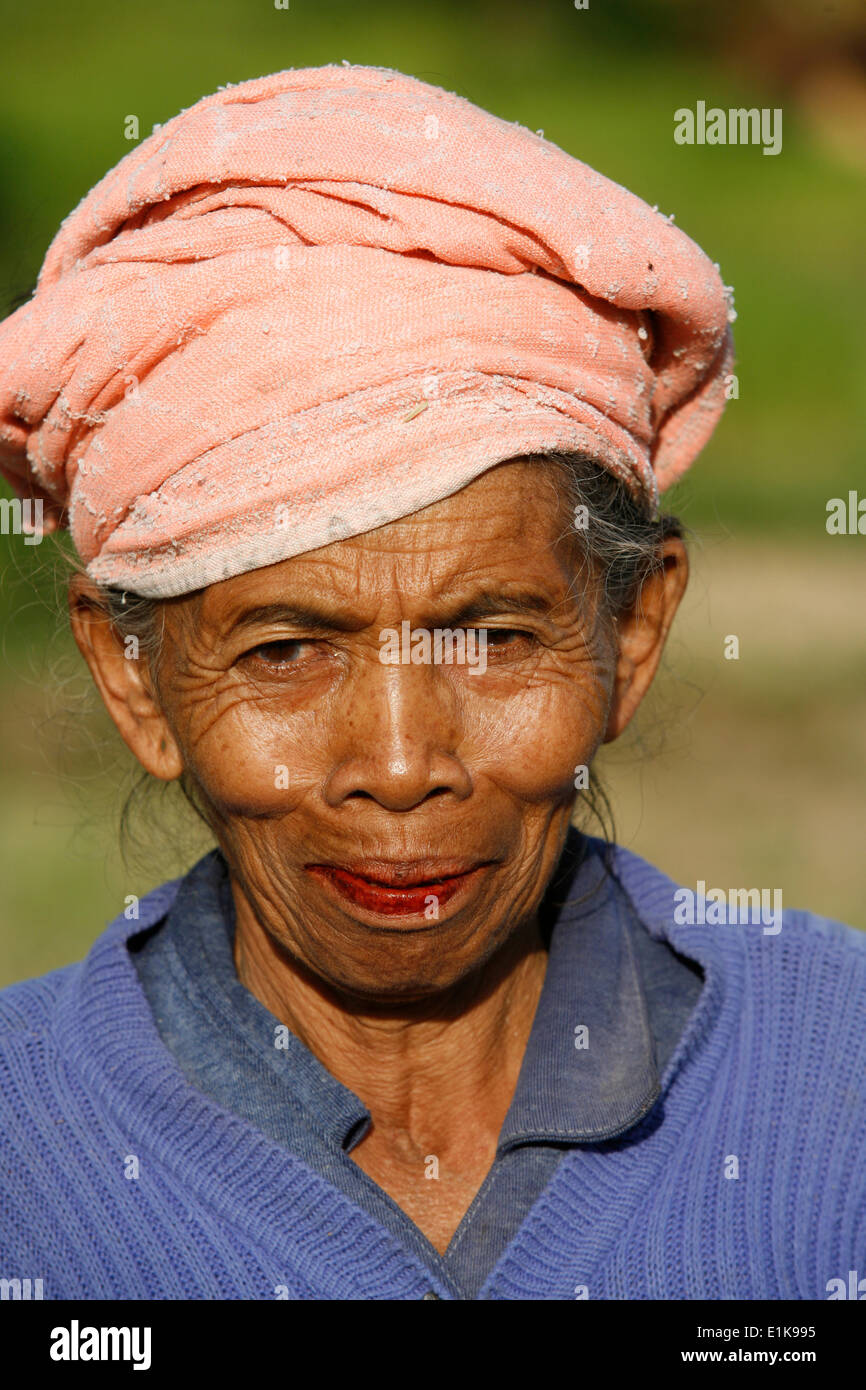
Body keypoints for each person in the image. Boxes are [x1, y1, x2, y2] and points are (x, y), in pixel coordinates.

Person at [0, 63, 862, 1302]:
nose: (401, 765)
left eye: (494, 637)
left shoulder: (838, 1084)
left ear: (629, 632)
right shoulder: (28, 1166)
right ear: (133, 675)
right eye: (284, 651)